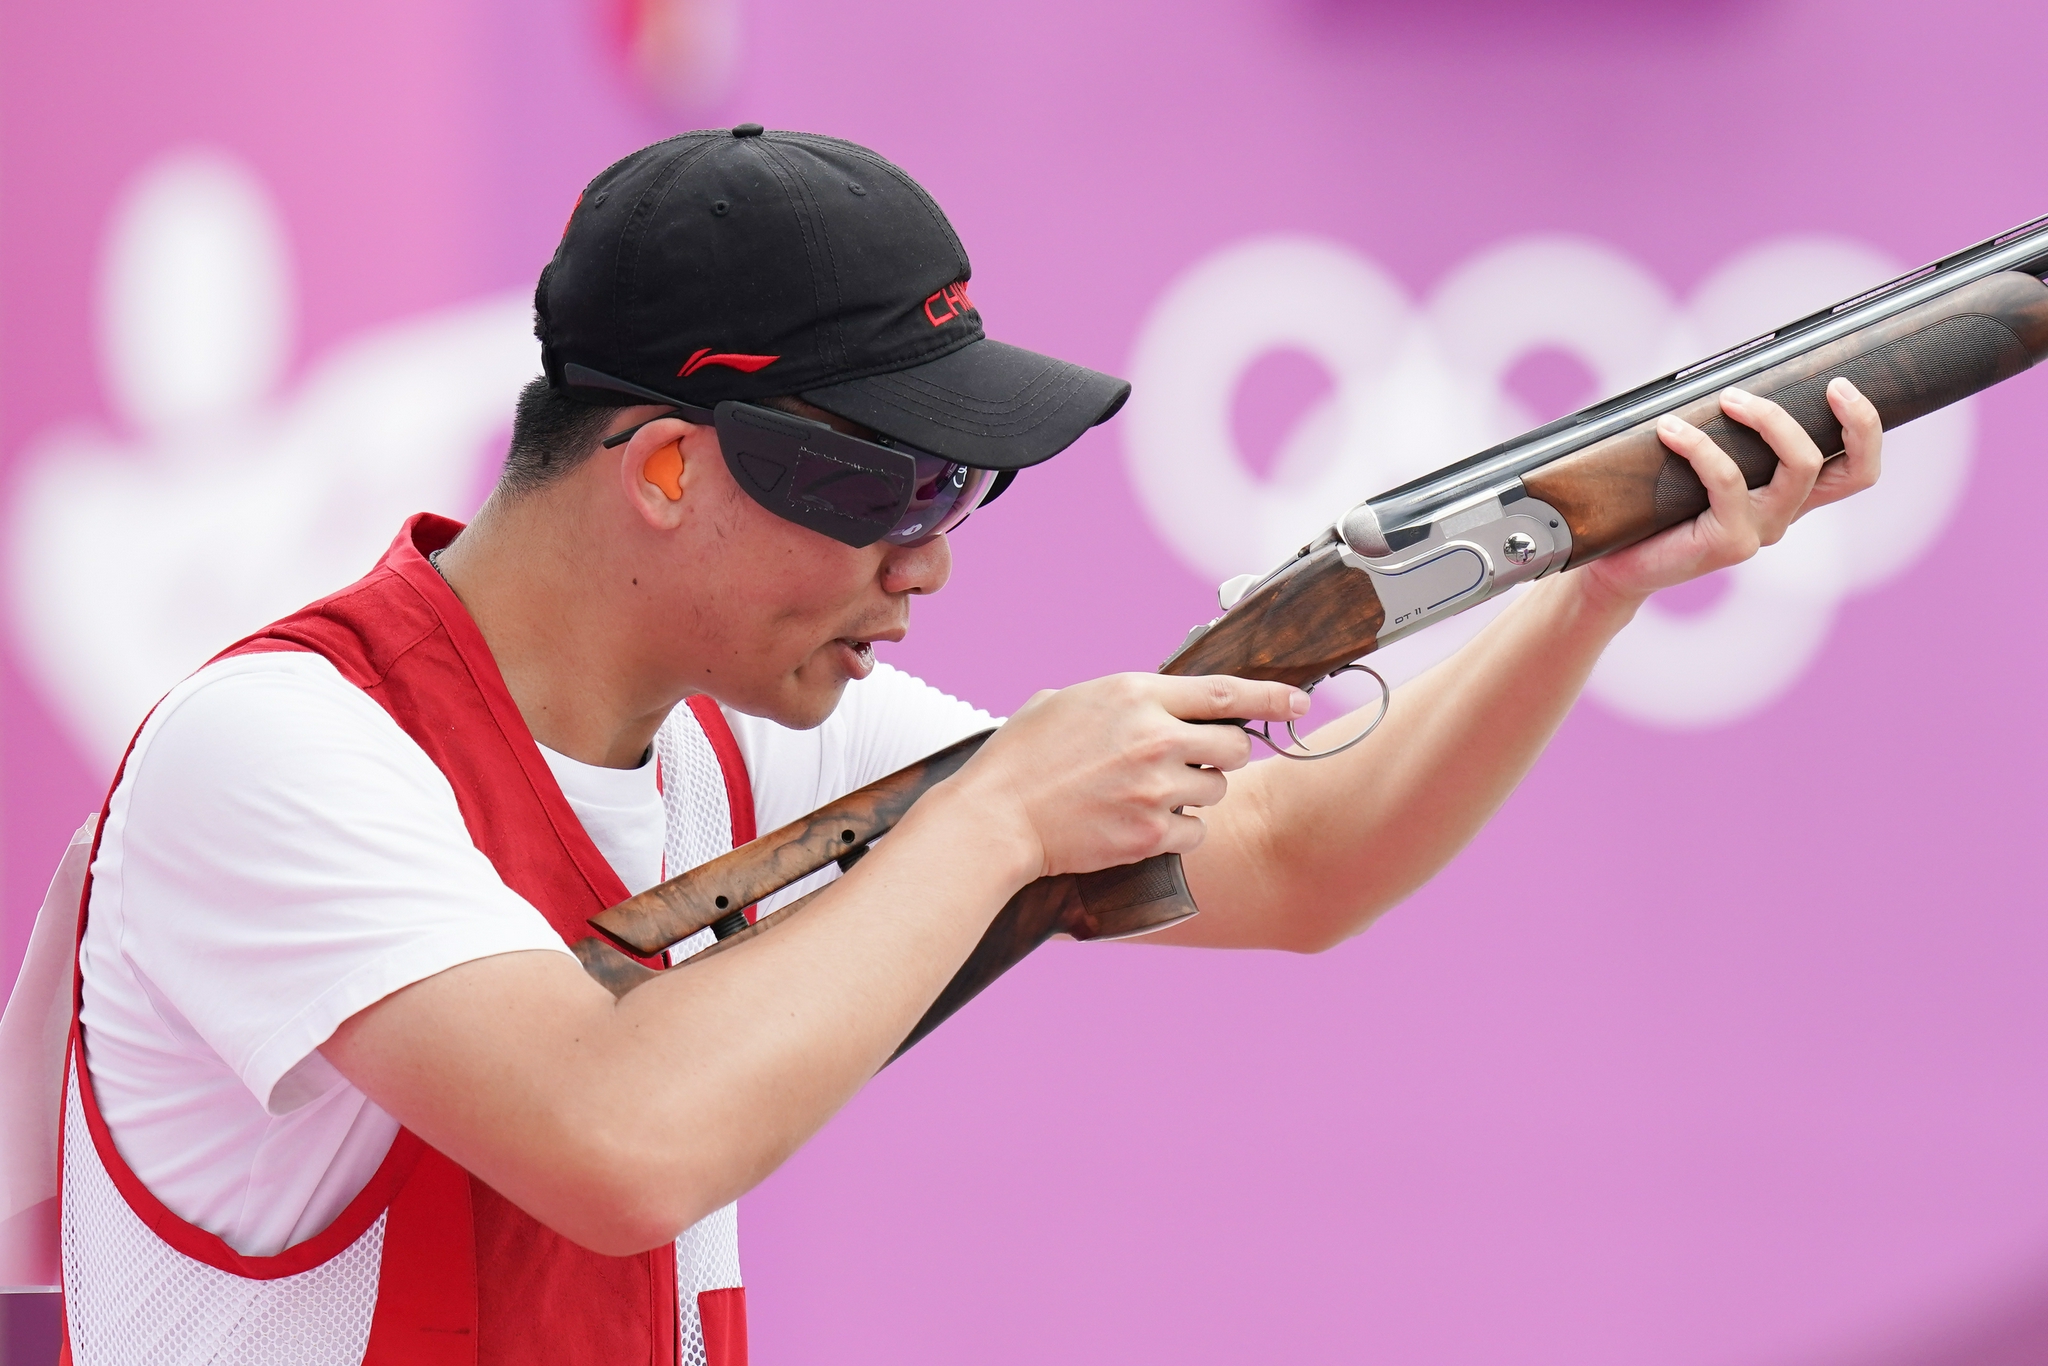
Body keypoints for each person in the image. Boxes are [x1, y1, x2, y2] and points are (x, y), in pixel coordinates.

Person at [55, 126, 1881, 1366]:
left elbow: (1305, 868)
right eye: (893, 482)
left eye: (967, 481)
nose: (930, 555)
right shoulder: (276, 752)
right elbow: (618, 1139)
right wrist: (1002, 810)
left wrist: (1591, 589)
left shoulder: (756, 734)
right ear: (675, 465)